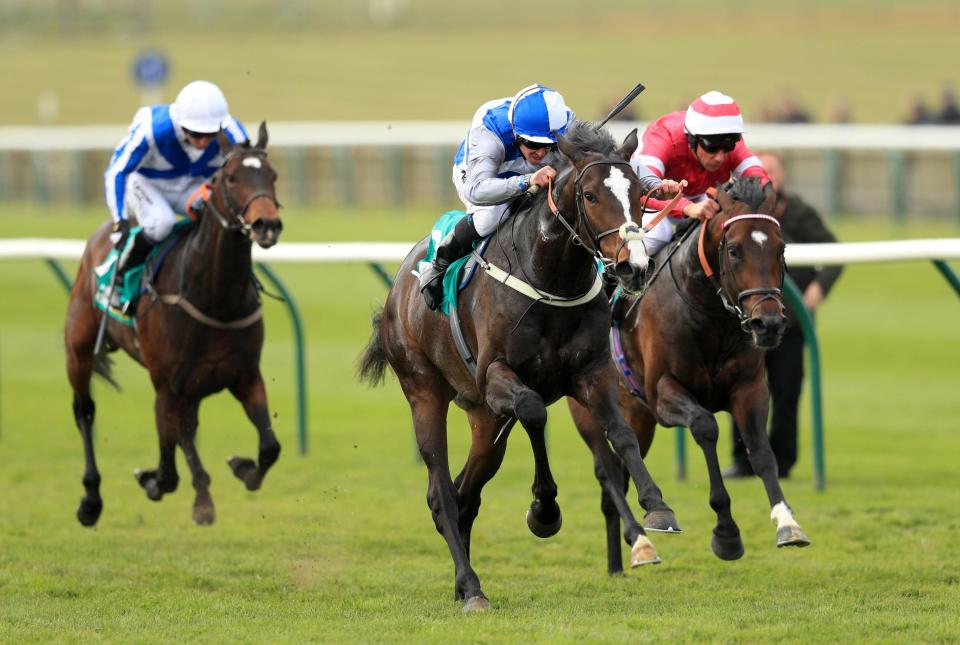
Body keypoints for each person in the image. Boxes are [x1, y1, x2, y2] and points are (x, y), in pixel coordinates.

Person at [417, 83, 679, 310]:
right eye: (533, 144)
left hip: (529, 173)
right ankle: (439, 263)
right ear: (517, 133)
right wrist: (527, 181)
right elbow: (477, 189)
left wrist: (653, 183)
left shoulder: (564, 123)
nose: (541, 153)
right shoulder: (490, 133)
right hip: (482, 174)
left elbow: (611, 161)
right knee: (489, 217)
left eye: (548, 146)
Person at [723, 151, 843, 479]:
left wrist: (817, 290)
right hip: (751, 324)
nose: (767, 177)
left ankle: (783, 463)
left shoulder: (798, 212)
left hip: (791, 323)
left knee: (787, 391)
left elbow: (834, 253)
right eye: (762, 171)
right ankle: (743, 460)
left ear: (783, 175)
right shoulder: (738, 217)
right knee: (744, 389)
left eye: (772, 170)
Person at [103, 80, 248, 309]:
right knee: (162, 223)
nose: (203, 142)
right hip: (147, 184)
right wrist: (119, 219)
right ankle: (119, 275)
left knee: (222, 219)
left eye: (210, 135)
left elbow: (247, 170)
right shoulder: (153, 129)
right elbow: (116, 172)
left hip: (192, 186)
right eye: (196, 134)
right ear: (182, 125)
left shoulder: (234, 133)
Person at [629, 90, 771, 266]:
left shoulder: (729, 144)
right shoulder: (663, 137)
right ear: (692, 139)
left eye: (728, 146)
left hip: (695, 197)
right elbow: (642, 190)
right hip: (648, 201)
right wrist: (687, 207)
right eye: (711, 147)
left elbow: (759, 178)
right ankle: (609, 280)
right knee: (659, 234)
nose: (720, 157)